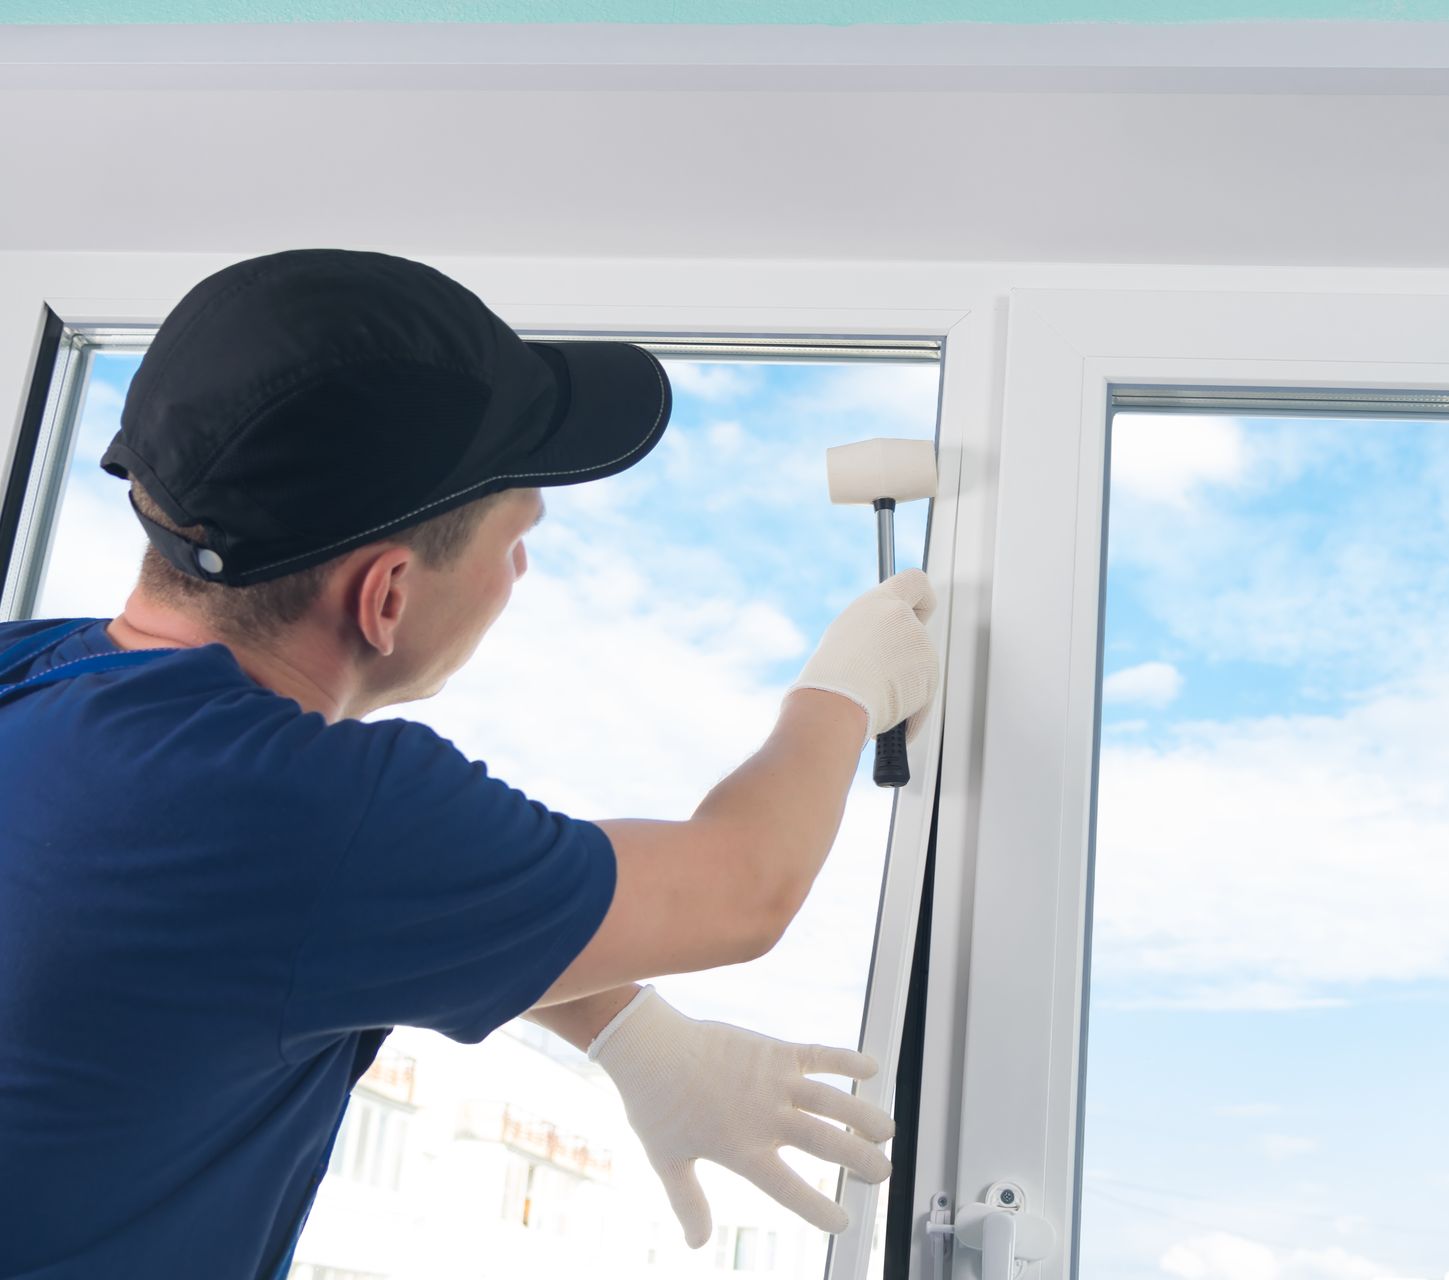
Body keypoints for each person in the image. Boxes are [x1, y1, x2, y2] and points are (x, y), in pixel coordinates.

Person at [0, 248, 942, 1279]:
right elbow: (747, 885)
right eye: (515, 534)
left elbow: (326, 906)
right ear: (387, 595)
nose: (522, 569)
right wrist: (842, 691)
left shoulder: (40, 678)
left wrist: (631, 1030)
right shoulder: (301, 807)